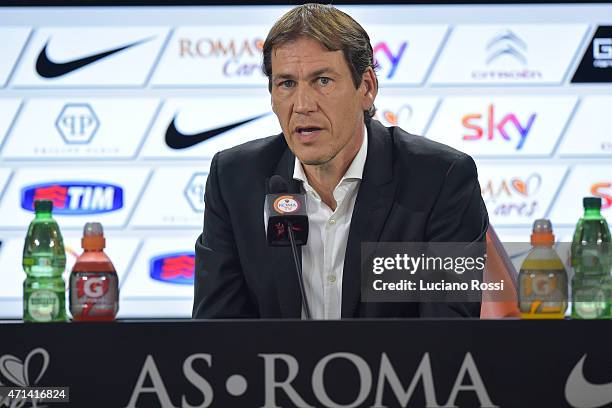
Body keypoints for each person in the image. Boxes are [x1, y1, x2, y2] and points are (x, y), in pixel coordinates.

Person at [192, 3, 488, 319]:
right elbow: (217, 337)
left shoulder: (439, 181)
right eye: (287, 84)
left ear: (367, 88)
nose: (302, 105)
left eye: (322, 81)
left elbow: (447, 340)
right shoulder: (235, 181)